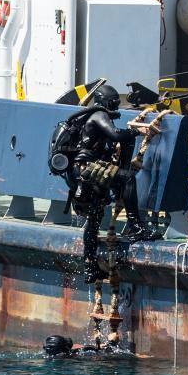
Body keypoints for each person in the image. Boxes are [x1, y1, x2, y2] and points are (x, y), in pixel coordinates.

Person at [70, 85, 161, 284]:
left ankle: (90, 267)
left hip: (83, 171)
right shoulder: (99, 115)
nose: (116, 106)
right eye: (114, 102)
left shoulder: (94, 116)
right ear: (105, 102)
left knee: (94, 217)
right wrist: (138, 131)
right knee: (127, 178)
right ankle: (136, 226)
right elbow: (116, 135)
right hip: (89, 168)